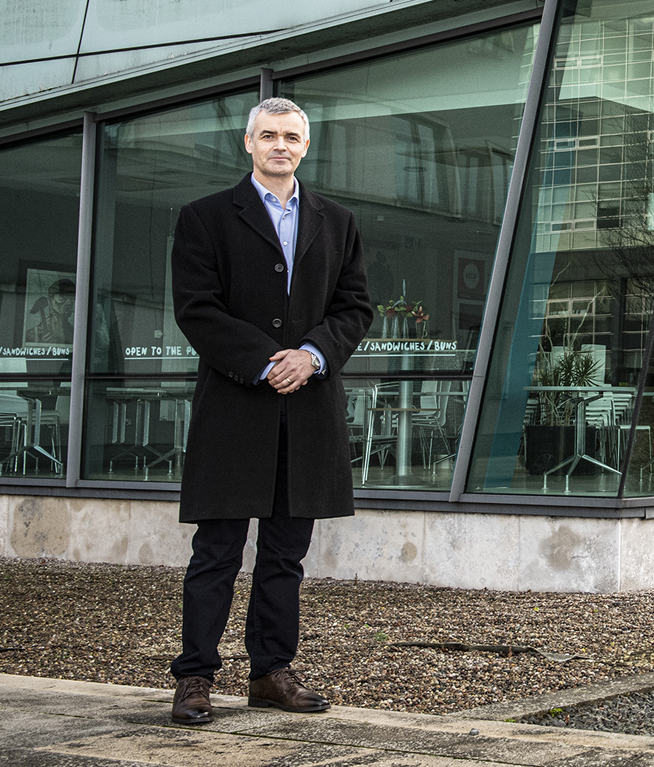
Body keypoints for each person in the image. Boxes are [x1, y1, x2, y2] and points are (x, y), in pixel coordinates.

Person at [167, 97, 372, 724]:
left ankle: (271, 674)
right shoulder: (204, 218)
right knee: (217, 552)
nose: (280, 145)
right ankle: (195, 678)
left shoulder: (337, 221)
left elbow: (355, 306)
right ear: (248, 144)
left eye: (291, 137)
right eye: (268, 135)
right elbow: (197, 307)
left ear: (305, 147)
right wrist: (266, 360)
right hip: (236, 404)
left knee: (286, 554)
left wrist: (311, 355)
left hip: (307, 411)